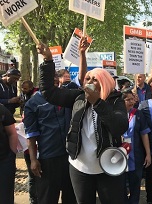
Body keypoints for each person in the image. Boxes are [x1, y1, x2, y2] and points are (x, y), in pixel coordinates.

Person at [36, 42, 128, 204]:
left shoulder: (115, 101)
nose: (90, 81)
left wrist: (98, 103)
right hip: (80, 168)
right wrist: (48, 61)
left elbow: (120, 126)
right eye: (88, 78)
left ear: (105, 83)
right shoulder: (78, 97)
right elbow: (49, 93)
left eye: (95, 79)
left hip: (107, 167)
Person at [24, 74, 76, 204]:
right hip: (48, 158)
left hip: (71, 157)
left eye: (55, 80)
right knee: (47, 198)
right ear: (41, 83)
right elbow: (31, 134)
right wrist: (33, 160)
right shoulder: (33, 103)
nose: (53, 83)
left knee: (71, 197)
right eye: (49, 81)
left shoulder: (66, 98)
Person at [122, 90, 151, 204]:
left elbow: (144, 134)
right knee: (121, 186)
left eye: (132, 99)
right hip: (119, 155)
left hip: (135, 155)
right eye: (127, 100)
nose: (131, 102)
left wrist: (148, 154)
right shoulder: (116, 114)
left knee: (135, 185)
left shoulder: (138, 114)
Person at [0, 104, 18, 204]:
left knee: (4, 196)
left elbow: (12, 133)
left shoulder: (2, 110)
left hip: (3, 161)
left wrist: (11, 155)